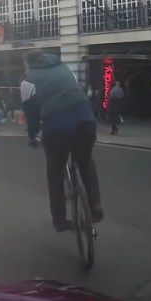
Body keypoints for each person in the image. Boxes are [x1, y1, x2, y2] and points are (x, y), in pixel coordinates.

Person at [24, 50, 104, 232]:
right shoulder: (64, 68)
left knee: (55, 171)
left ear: (28, 63)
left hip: (56, 126)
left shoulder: (28, 78)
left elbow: (30, 112)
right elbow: (78, 90)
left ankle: (60, 220)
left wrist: (33, 135)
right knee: (85, 160)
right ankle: (96, 206)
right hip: (85, 119)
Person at [21, 74, 40, 147]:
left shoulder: (24, 83)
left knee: (30, 121)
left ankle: (32, 138)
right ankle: (34, 137)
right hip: (32, 103)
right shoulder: (30, 84)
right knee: (34, 121)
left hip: (27, 104)